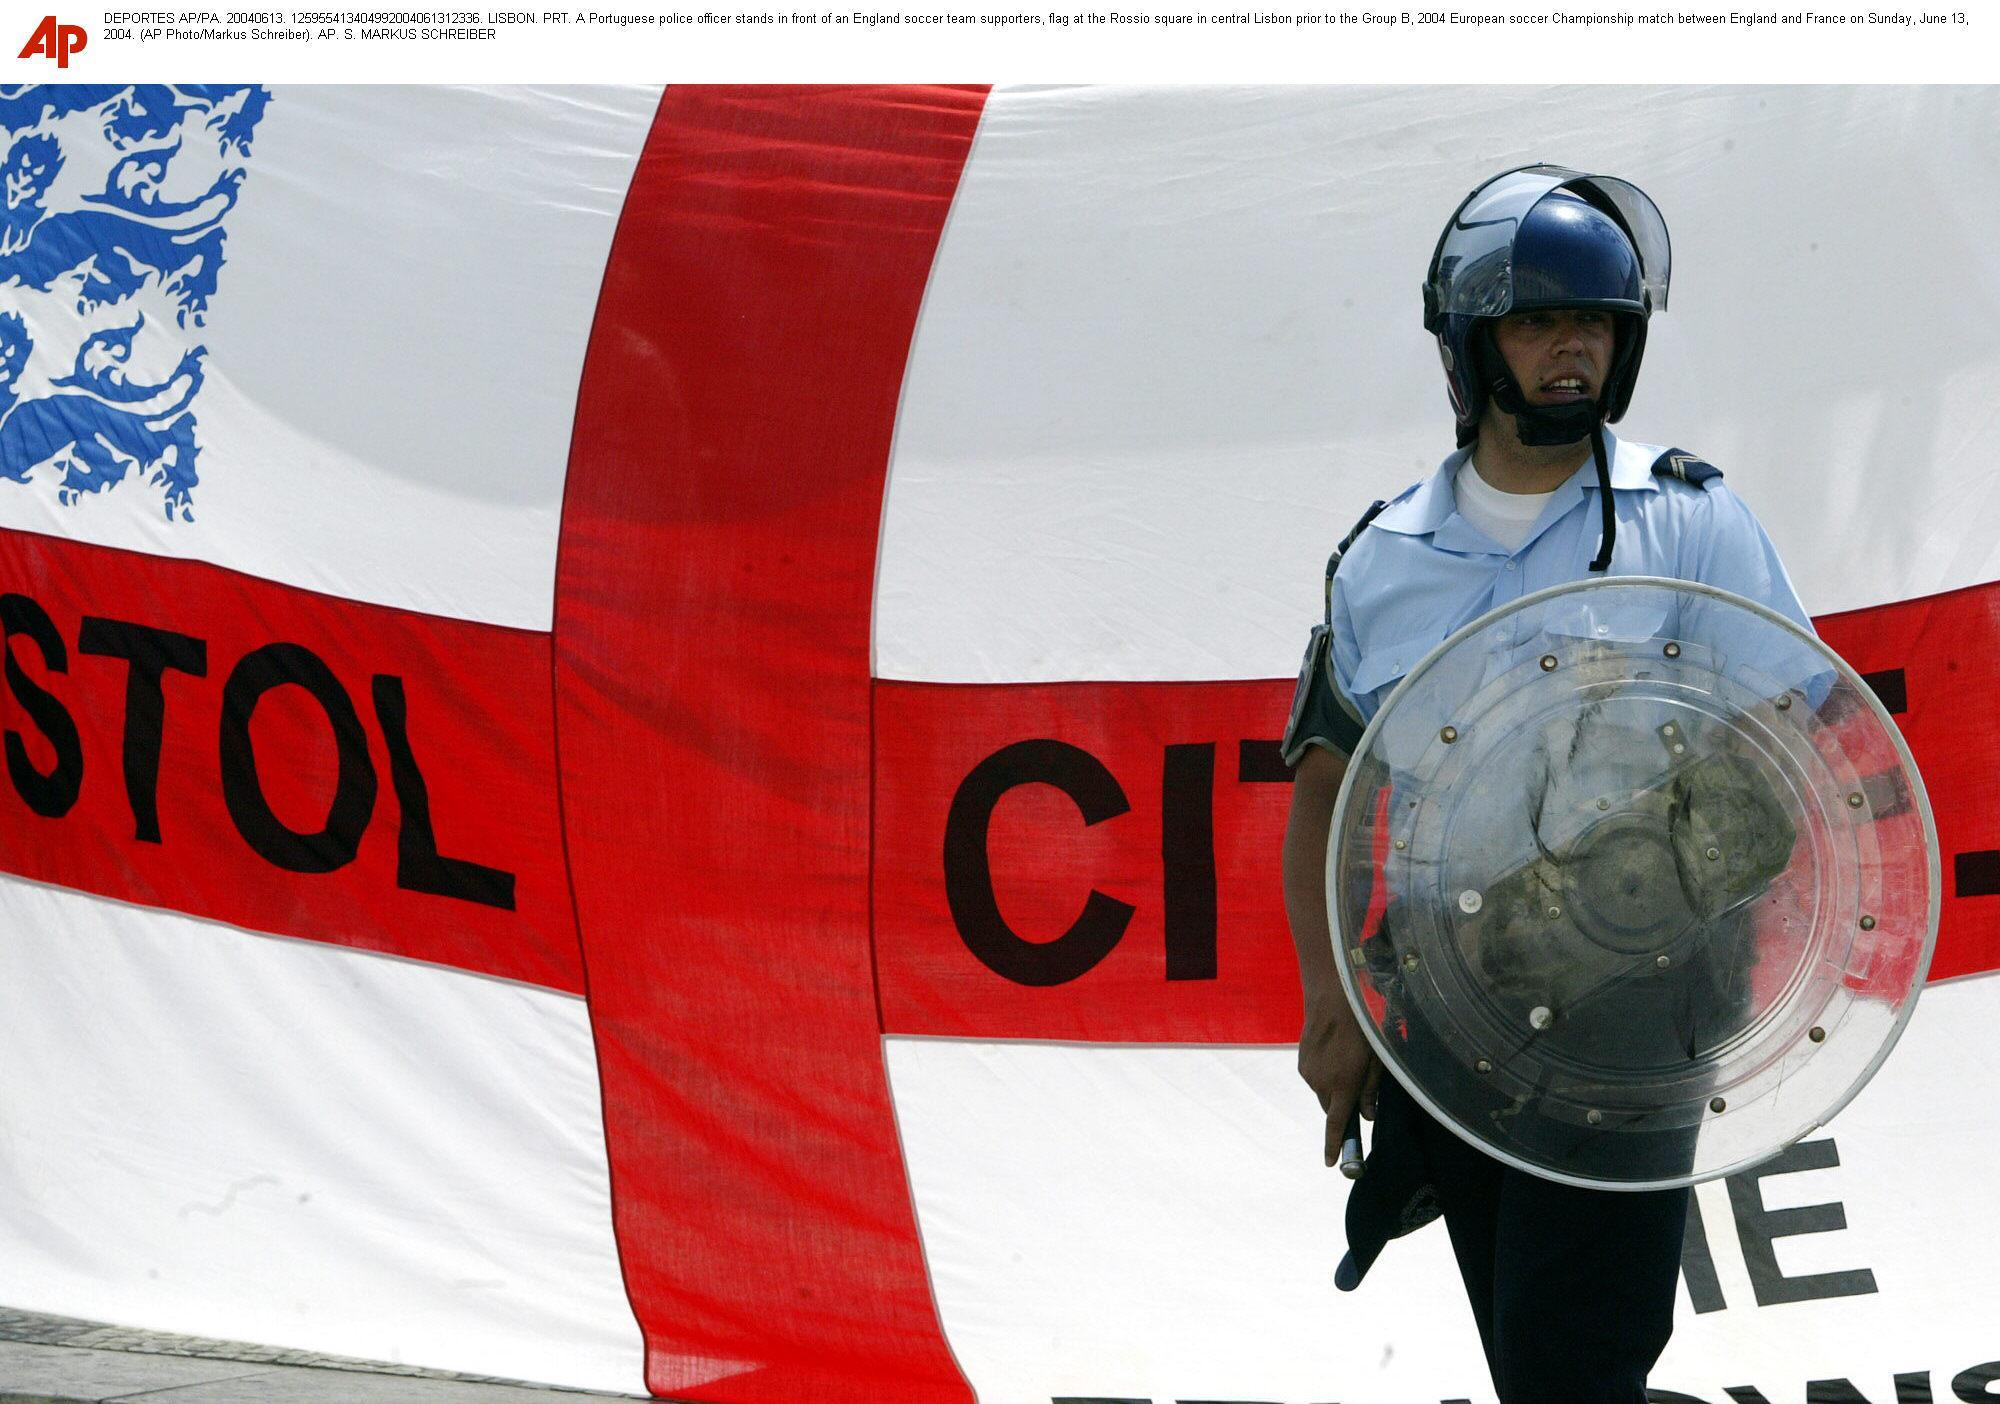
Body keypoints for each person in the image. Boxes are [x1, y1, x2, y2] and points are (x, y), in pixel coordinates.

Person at [1279, 166, 1818, 1403]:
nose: (1571, 347)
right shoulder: (1378, 560)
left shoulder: (1688, 519)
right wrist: (1332, 1006)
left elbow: (1795, 743)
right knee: (1531, 1351)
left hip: (1641, 1006)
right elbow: (1327, 797)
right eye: (1536, 322)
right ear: (1472, 346)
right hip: (1450, 1009)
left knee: (1573, 1351)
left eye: (1595, 324)